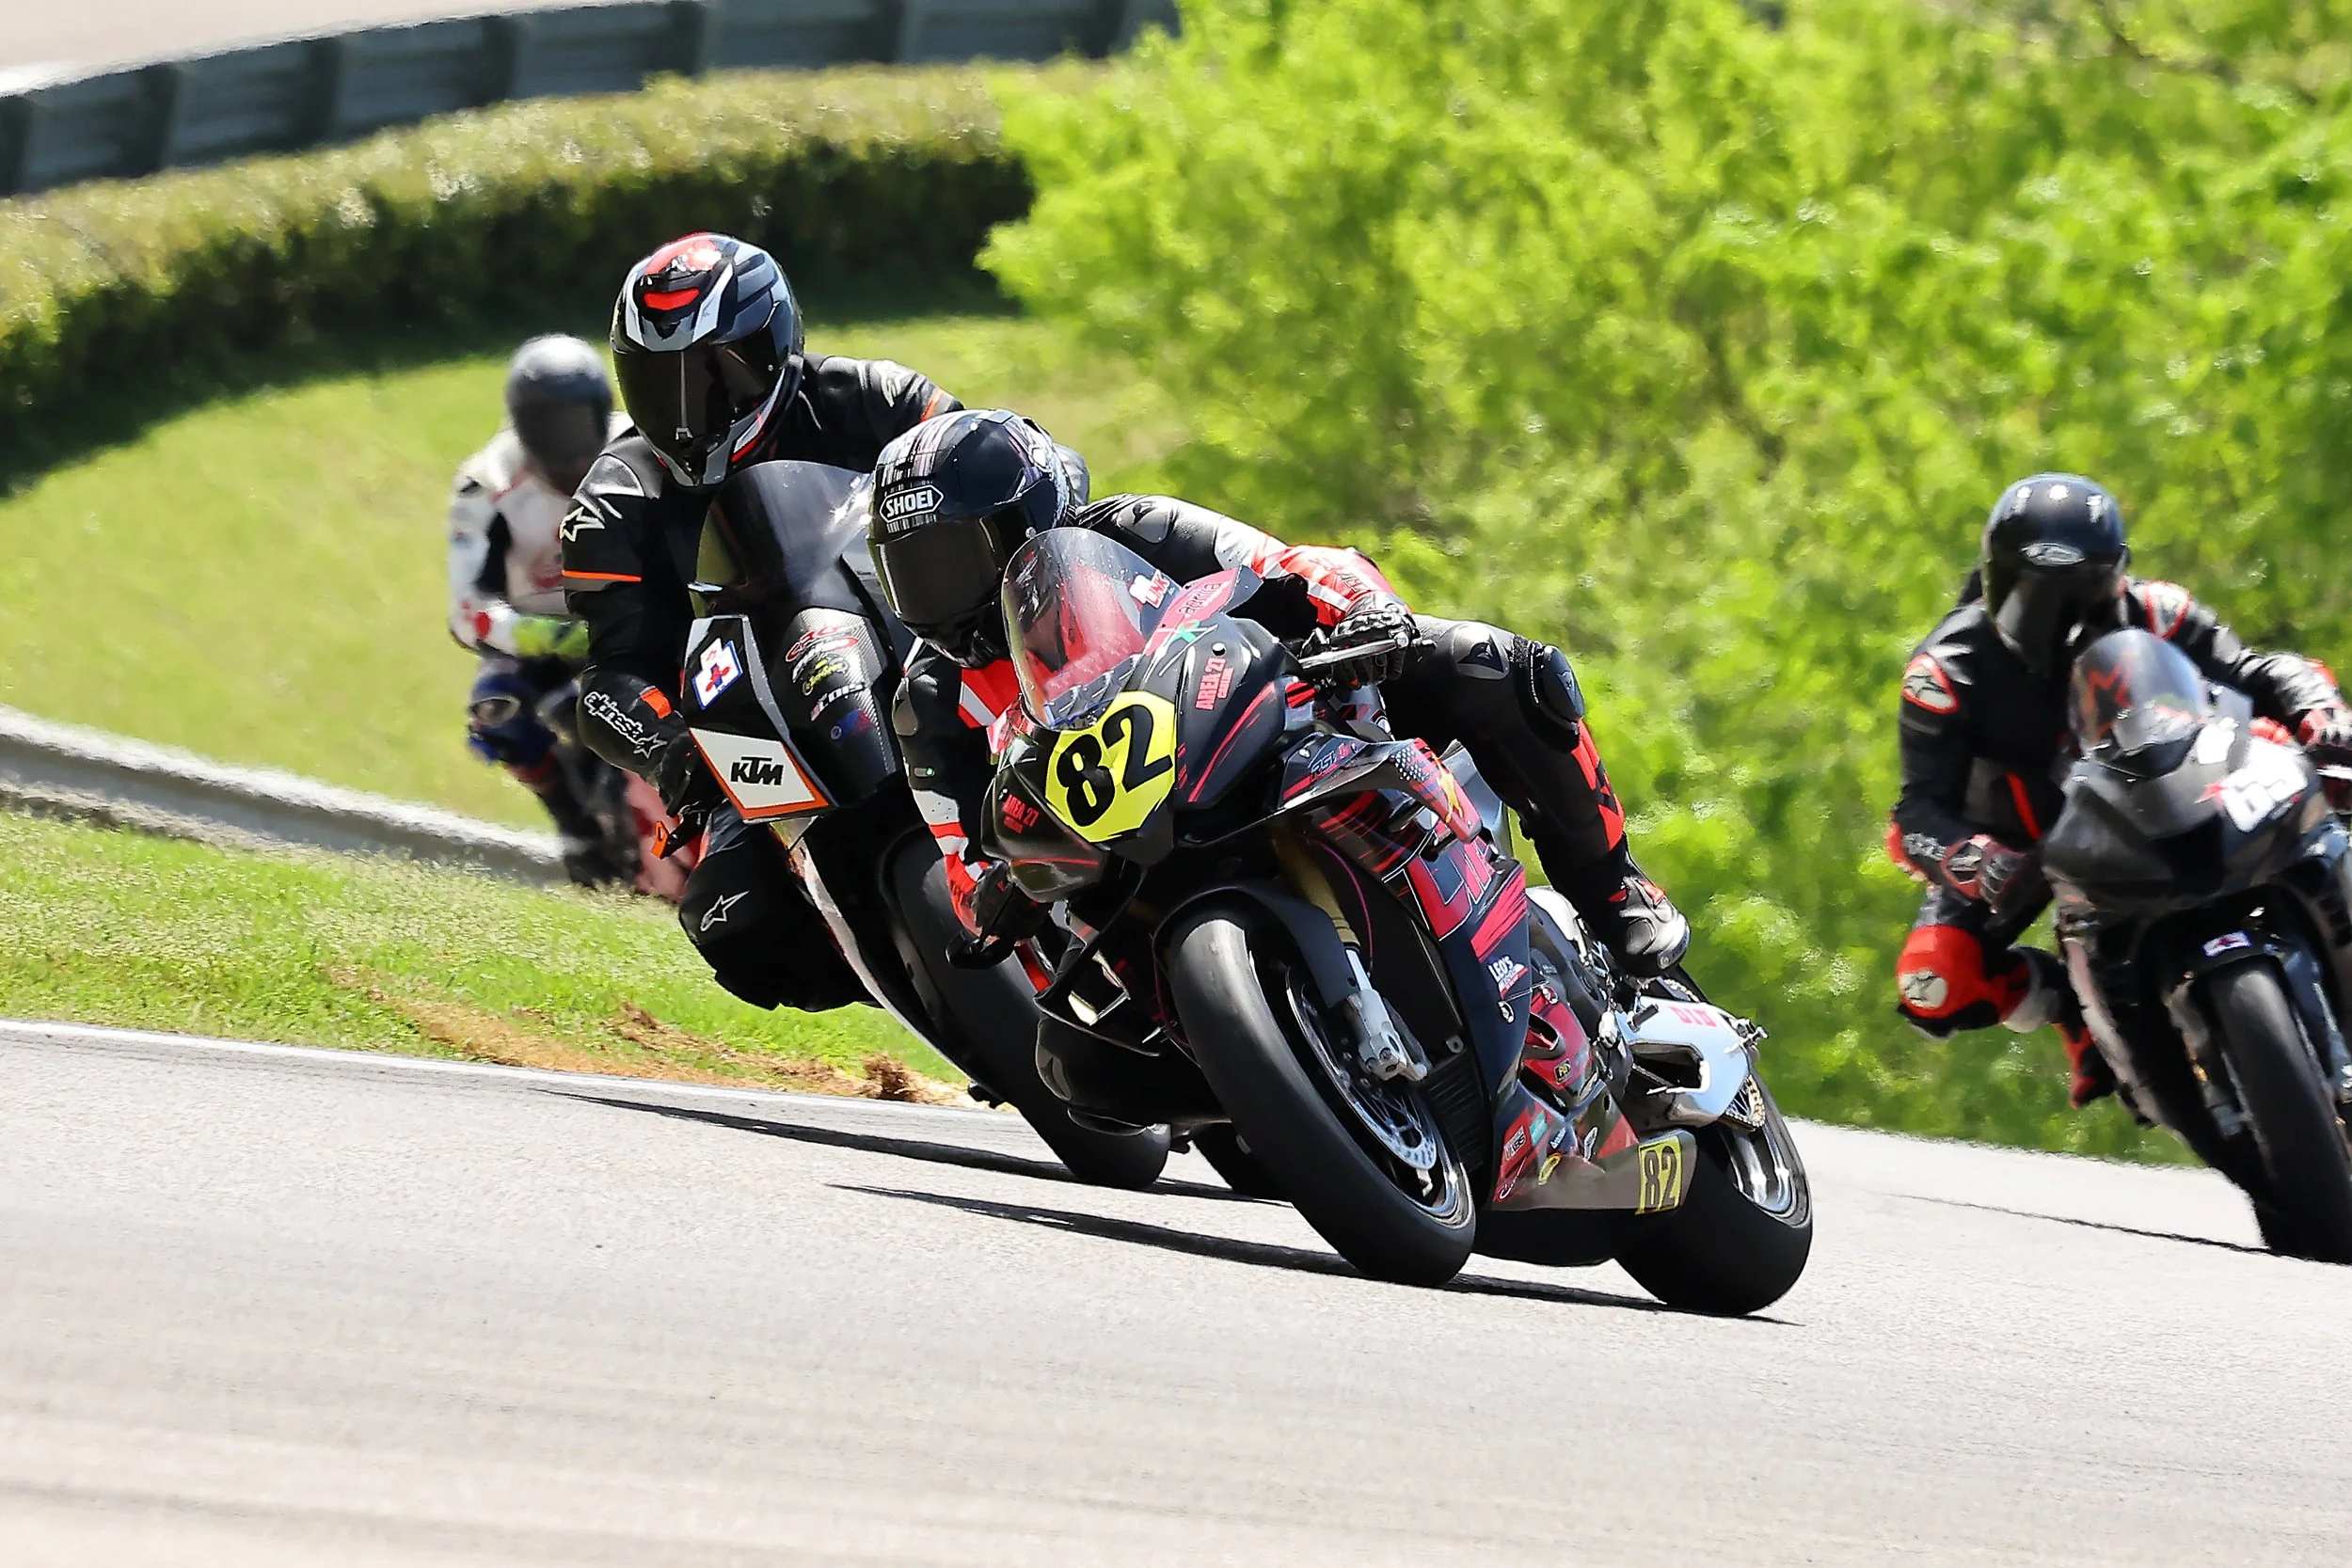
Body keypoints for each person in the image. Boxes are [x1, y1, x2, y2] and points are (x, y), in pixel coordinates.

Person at [865, 407, 1692, 977]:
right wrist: (999, 888)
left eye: (957, 559)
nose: (947, 595)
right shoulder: (929, 701)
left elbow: (1288, 564)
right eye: (916, 574)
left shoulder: (1130, 530)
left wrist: (1365, 611)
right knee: (1082, 1065)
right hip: (1126, 863)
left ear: (1031, 517)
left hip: (1266, 723)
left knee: (1495, 663)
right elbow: (961, 865)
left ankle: (1611, 884)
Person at [560, 231, 961, 1010]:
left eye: (715, 376)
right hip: (753, 731)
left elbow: (993, 465)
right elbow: (610, 676)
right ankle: (925, 990)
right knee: (738, 921)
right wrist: (672, 749)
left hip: (927, 650)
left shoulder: (874, 397)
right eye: (659, 384)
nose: (688, 412)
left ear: (777, 349)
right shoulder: (618, 495)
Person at [1887, 472, 2352, 1106]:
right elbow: (1917, 810)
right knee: (1931, 981)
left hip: (2155, 784)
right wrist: (1986, 866)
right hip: (2021, 839)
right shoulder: (1943, 673)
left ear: (2115, 574)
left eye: (2082, 596)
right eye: (2032, 597)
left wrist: (2320, 711)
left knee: (2314, 774)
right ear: (1991, 579)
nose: (2059, 622)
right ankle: (2067, 1004)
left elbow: (2254, 671)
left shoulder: (2161, 611)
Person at [447, 334, 631, 883]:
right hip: (533, 640)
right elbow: (467, 611)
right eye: (549, 426)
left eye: (578, 422)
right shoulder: (485, 485)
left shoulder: (639, 453)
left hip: (627, 619)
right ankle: (570, 819)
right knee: (494, 710)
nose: (568, 447)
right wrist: (551, 639)